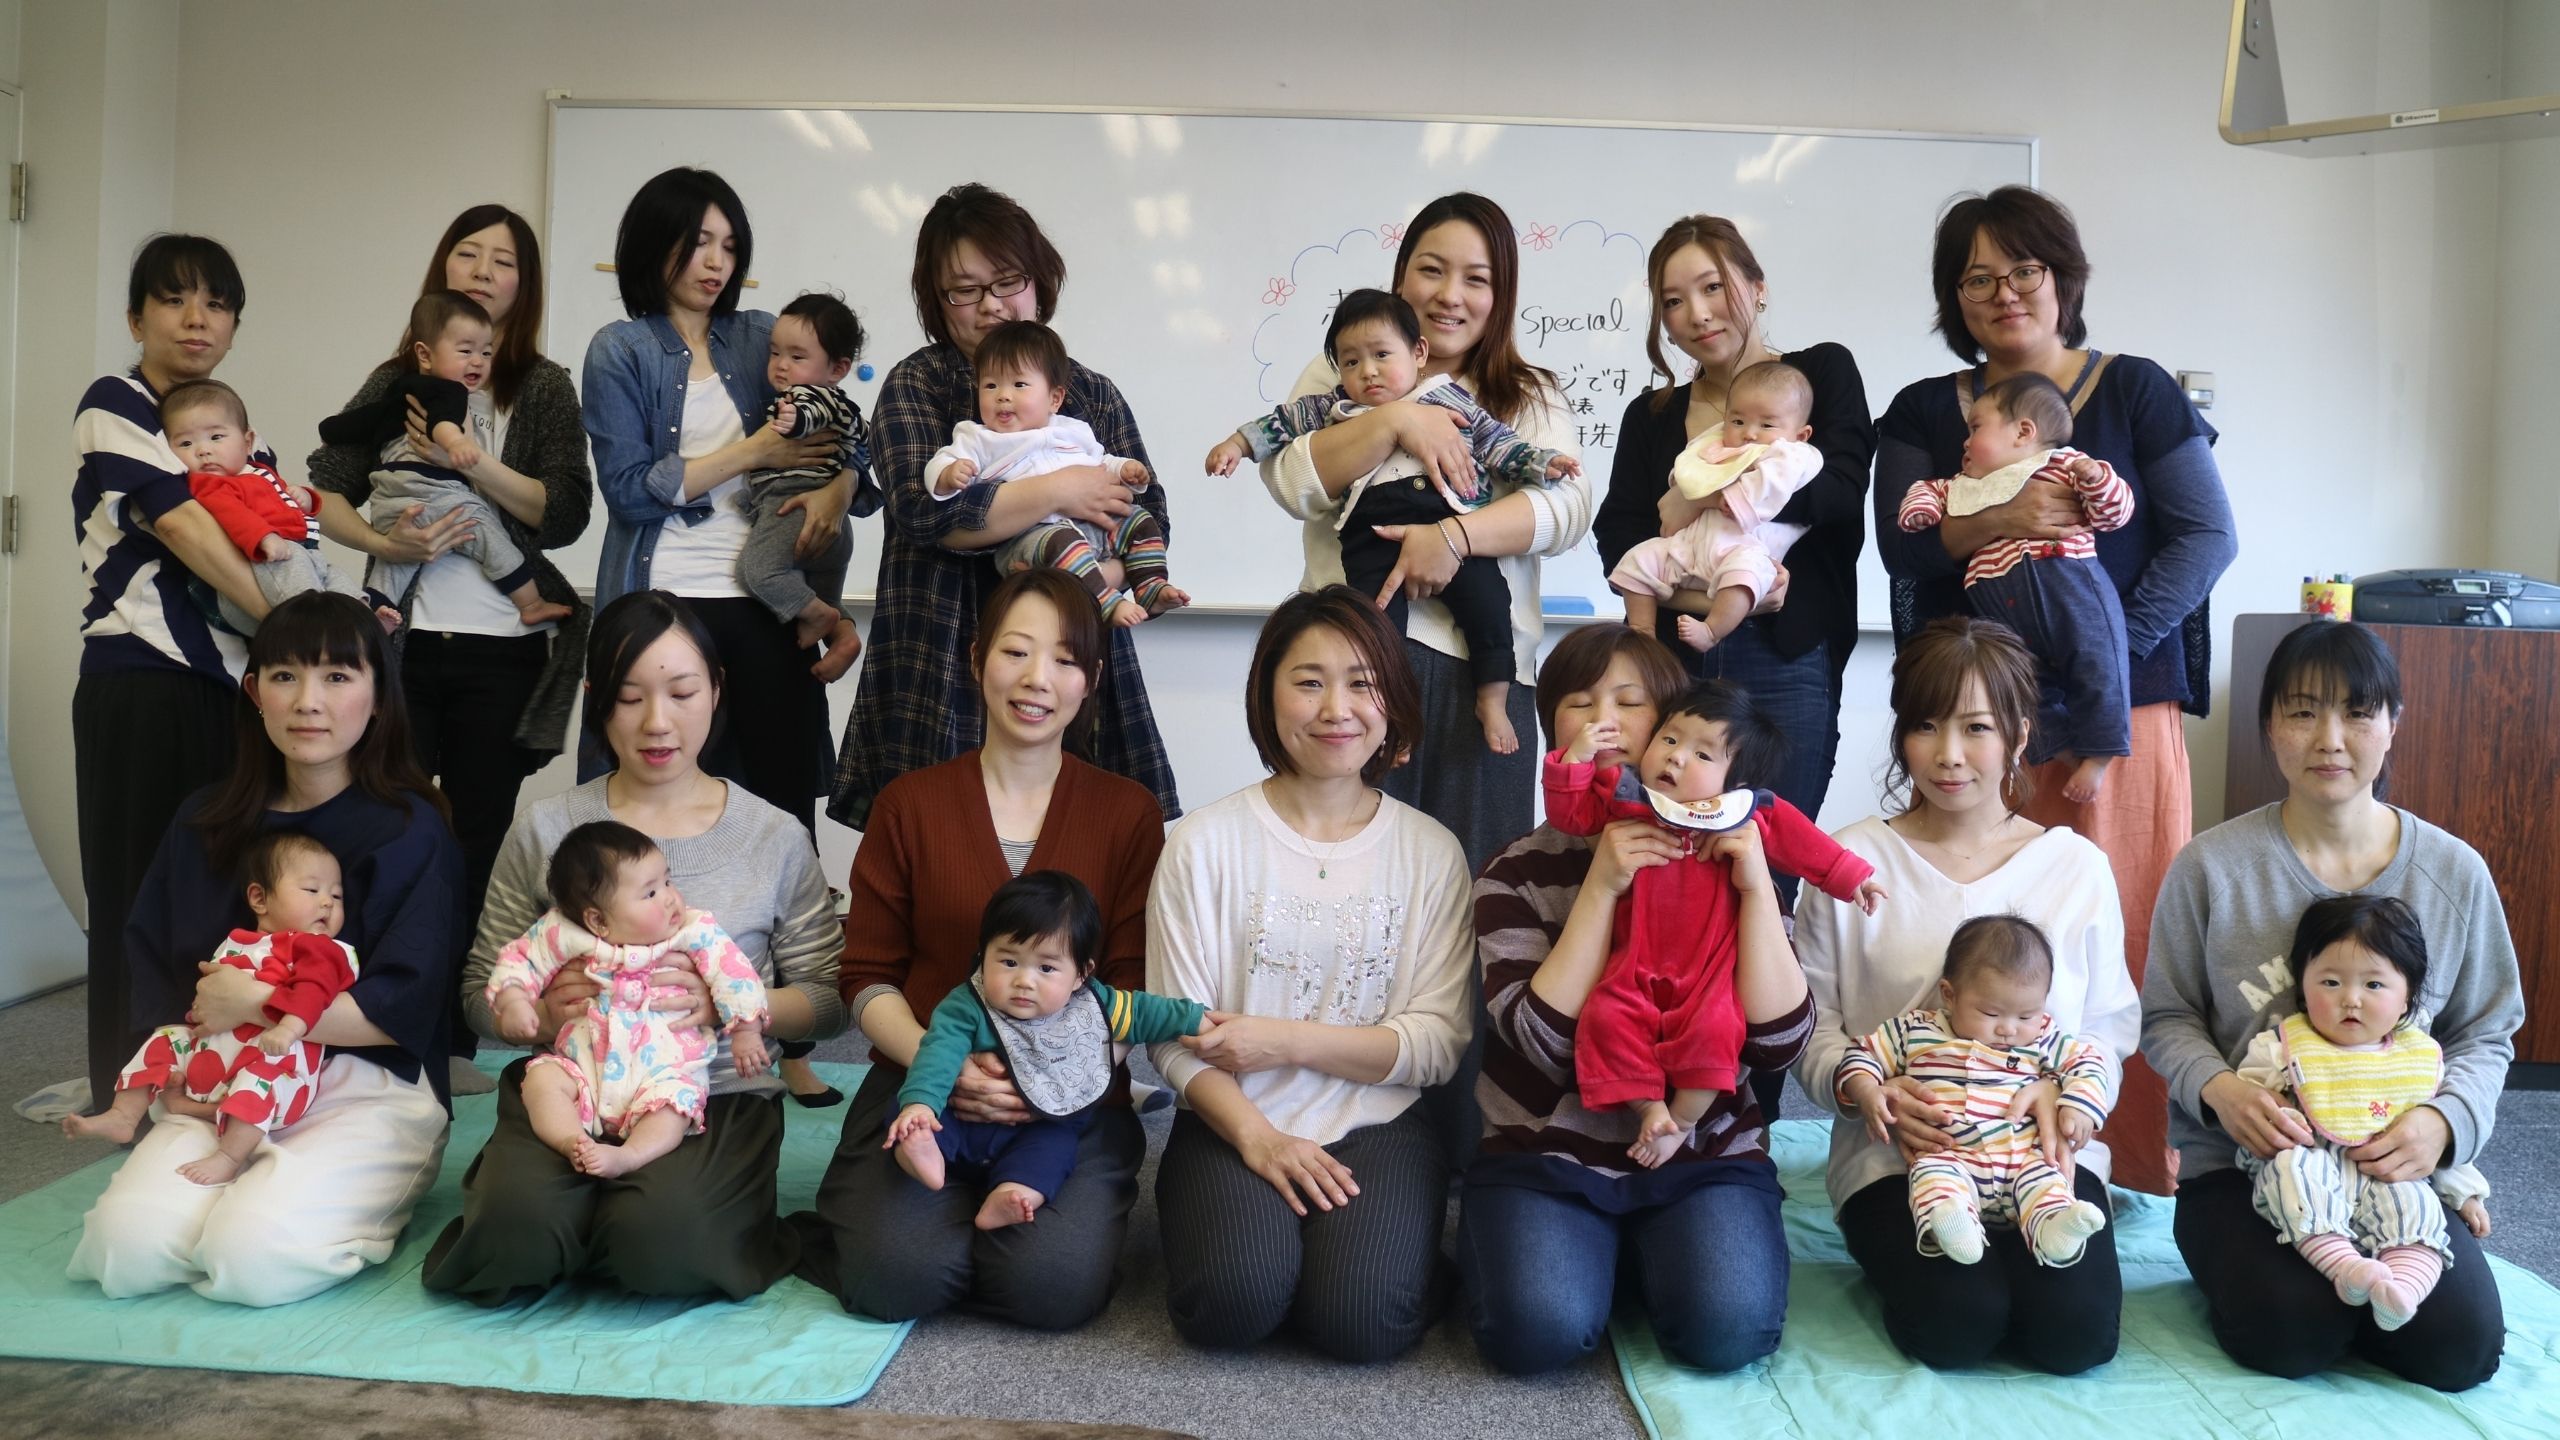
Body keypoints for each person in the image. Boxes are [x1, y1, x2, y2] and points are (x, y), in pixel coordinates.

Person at [1876, 186, 2238, 1194]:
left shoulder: (2136, 391)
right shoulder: (1923, 410)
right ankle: (1978, 1160)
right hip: (1980, 723)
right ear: (1953, 295)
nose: (2003, 292)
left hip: (2117, 718)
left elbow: (2206, 537)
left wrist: (2103, 656)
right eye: (1976, 276)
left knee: (2122, 934)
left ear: (2062, 277)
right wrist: (2004, 513)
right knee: (1981, 942)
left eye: (2022, 269)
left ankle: (2137, 1171)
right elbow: (1903, 549)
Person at [79, 234, 450, 1110]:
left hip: (238, 685)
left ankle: (241, 1081)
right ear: (137, 319)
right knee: (140, 897)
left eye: (215, 303)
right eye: (173, 301)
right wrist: (302, 631)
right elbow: (183, 529)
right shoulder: (116, 405)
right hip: (145, 676)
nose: (196, 318)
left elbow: (305, 512)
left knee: (232, 892)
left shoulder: (239, 427)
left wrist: (383, 547)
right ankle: (128, 1100)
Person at [420, 590, 845, 1303]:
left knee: (665, 1246)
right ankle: (571, 1215)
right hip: (574, 1085)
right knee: (511, 1239)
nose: (657, 722)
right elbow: (478, 987)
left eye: (682, 692)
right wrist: (539, 1016)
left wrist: (733, 1009)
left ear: (717, 688)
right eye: (627, 697)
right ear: (595, 699)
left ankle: (634, 1222)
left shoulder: (773, 835)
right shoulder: (547, 827)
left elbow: (829, 1003)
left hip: (709, 1094)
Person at [2143, 620, 2517, 1390]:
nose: (2330, 737)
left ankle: (2360, 1289)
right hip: (2245, 1169)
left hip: (2396, 1170)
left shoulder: (2454, 871)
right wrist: (2223, 1091)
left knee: (2460, 1351)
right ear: (2270, 727)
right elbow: (2167, 1018)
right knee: (2289, 1335)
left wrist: (2443, 1124)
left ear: (2392, 725)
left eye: (2357, 712)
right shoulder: (2212, 868)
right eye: (2303, 711)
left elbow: (2488, 1029)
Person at [67, 592, 463, 1306]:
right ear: (253, 692)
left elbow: (403, 1010)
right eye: (284, 676)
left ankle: (367, 1198)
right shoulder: (203, 818)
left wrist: (258, 1000)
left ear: (378, 696)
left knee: (250, 1262)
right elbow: (156, 968)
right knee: (124, 1253)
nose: (307, 701)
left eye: (337, 678)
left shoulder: (411, 829)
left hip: (363, 1082)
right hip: (222, 1080)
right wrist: (176, 1085)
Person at [798, 567, 1167, 1329]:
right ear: (976, 660)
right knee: (893, 1278)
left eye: (1065, 660)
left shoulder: (1128, 813)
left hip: (1069, 1105)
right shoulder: (911, 803)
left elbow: (1129, 987)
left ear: (1092, 680)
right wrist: (950, 1064)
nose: (1038, 680)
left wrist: (1045, 1078)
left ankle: (988, 1223)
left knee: (1050, 1288)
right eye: (1016, 652)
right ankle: (912, 1223)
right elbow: (866, 976)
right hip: (922, 1087)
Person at [1793, 616, 2137, 1374]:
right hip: (1904, 1162)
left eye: (1976, 728)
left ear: (2018, 735)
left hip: (2041, 1158)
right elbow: (1809, 1032)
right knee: (1956, 1326)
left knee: (2073, 1338)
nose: (1947, 756)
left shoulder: (2074, 867)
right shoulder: (1848, 861)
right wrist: (1865, 1092)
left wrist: (2066, 1096)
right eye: (1924, 726)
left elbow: (2110, 1027)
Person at [307, 206, 594, 1097]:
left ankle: (452, 1041)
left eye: (502, 260)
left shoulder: (540, 386)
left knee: (473, 836)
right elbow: (326, 489)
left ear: (524, 283)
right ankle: (366, 1024)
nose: (482, 269)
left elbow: (568, 511)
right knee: (388, 828)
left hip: (505, 651)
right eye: (467, 253)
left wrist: (471, 468)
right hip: (401, 645)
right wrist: (389, 549)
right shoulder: (399, 375)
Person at [1463, 622, 1802, 1376]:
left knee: (1727, 1334)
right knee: (1535, 1337)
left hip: (1703, 1148)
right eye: (1580, 704)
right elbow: (1540, 1041)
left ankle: (1641, 1259)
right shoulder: (1512, 870)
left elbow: (1780, 1045)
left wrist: (1752, 893)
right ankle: (1598, 1262)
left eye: (1631, 702)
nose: (1604, 723)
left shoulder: (1737, 850)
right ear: (1553, 727)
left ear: (1675, 728)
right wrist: (1604, 883)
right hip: (1545, 1147)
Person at [1146, 585, 1472, 1362]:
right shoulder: (1201, 844)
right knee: (1230, 1305)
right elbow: (1170, 1035)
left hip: (1378, 1121)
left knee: (1362, 1324)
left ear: (1393, 699)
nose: (1337, 708)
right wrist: (1258, 1139)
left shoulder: (1431, 852)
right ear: (1268, 695)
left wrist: (1284, 1041)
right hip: (1232, 1119)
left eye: (1362, 682)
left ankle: (1377, 1259)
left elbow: (1435, 1045)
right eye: (1309, 680)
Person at [1256, 193, 1592, 873]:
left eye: (1477, 279)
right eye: (1431, 270)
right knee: (1339, 880)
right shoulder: (1342, 371)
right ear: (1401, 274)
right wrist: (1393, 423)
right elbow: (1290, 481)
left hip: (1485, 676)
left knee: (1479, 893)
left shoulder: (1526, 392)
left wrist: (1456, 539)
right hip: (1352, 668)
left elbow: (1567, 510)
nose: (1449, 296)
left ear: (1502, 295)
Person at [835, 182, 1176, 832]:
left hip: (1072, 653)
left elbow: (1146, 508)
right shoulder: (919, 382)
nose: (989, 305)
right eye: (963, 289)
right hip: (942, 649)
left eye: (1007, 281)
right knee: (940, 855)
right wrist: (1062, 491)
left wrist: (1093, 575)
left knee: (1076, 868)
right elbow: (926, 512)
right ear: (937, 301)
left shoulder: (1091, 393)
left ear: (1038, 282)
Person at [584, 167, 871, 838]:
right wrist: (752, 454)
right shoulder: (620, 350)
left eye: (730, 246)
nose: (716, 262)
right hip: (666, 599)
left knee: (780, 804)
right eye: (698, 242)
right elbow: (628, 492)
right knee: (657, 807)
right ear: (655, 245)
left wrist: (840, 485)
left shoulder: (761, 334)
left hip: (767, 600)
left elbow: (845, 433)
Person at [1594, 215, 1876, 868]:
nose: (1696, 313)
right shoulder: (1653, 414)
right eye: (1672, 300)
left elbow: (1838, 492)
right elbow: (1620, 530)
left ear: (1757, 286)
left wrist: (1705, 490)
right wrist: (1706, 589)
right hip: (1673, 665)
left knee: (1771, 872)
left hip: (1787, 657)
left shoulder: (1820, 375)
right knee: (1661, 869)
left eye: (1713, 287)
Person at [1213, 288, 1578, 753]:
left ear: (1417, 353)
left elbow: (1496, 443)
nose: (1367, 371)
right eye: (1350, 362)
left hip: (1452, 528)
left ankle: (1492, 698)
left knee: (1489, 606)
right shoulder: (1334, 408)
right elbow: (1279, 426)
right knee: (1373, 635)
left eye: (1382, 355)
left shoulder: (1448, 397)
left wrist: (1541, 463)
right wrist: (1237, 445)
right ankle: (1393, 728)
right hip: (1371, 536)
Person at [1542, 680, 1879, 1167]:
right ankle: (1649, 1108)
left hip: (1709, 977)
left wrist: (1854, 880)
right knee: (1606, 1020)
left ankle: (1681, 1122)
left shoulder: (1747, 815)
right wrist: (1574, 760)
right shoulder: (1627, 797)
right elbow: (1569, 816)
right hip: (1631, 966)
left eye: (1704, 755)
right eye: (1672, 739)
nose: (1676, 758)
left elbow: (1808, 847)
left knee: (1717, 1033)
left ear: (1736, 782)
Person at [2224, 896, 2493, 1330]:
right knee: (2290, 1174)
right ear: (2302, 987)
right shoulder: (2281, 1047)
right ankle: (2345, 1268)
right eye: (2330, 982)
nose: (2351, 999)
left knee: (2417, 1205)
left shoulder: (2418, 1059)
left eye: (2374, 986)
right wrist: (2272, 1113)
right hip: (2314, 1158)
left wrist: (2465, 1190)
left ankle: (2402, 1289)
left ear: (2407, 998)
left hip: (2388, 1169)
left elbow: (2435, 1140)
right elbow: (2251, 1100)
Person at [885, 870, 1208, 1231]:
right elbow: (938, 1053)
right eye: (1008, 962)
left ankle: (1014, 1192)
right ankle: (921, 1149)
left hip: (1039, 1125)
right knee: (905, 1110)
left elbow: (1146, 1012)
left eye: (1047, 967)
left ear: (1081, 975)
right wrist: (921, 1106)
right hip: (962, 1118)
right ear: (982, 955)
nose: (1024, 980)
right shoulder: (968, 1004)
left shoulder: (1094, 1004)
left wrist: (1197, 1020)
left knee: (1054, 1152)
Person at [64, 831, 360, 1189]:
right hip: (219, 1061)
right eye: (312, 891)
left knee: (259, 1078)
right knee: (166, 1037)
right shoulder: (238, 940)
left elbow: (315, 992)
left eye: (337, 895)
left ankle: (229, 1156)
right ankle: (124, 1114)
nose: (327, 902)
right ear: (259, 898)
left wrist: (289, 1027)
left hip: (276, 1065)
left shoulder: (321, 949)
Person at [486, 819, 774, 1181]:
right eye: (650, 893)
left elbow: (734, 972)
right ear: (597, 921)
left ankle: (632, 1156)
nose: (670, 896)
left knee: (674, 1107)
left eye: (668, 881)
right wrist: (514, 999)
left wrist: (746, 1027)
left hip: (665, 1068)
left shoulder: (694, 930)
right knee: (543, 1081)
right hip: (584, 1065)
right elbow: (521, 958)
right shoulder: (562, 931)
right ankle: (571, 1140)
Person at [1896, 371, 2133, 804]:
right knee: (2019, 689)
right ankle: (2057, 749)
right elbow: (1924, 492)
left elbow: (2114, 513)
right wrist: (1921, 509)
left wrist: (2096, 479)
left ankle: (2099, 756)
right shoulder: (1964, 486)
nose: (1964, 442)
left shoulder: (2064, 464)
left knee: (2099, 667)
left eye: (1976, 429)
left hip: (2069, 590)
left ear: (2024, 432)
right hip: (1999, 612)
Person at [1834, 914, 2113, 1268]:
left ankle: (2056, 1231)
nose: (2009, 1029)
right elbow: (1863, 1052)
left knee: (2048, 1183)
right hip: (1950, 1152)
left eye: (2026, 1015)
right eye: (1991, 1013)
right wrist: (1865, 1089)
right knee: (1933, 1181)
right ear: (1949, 995)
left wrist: (2078, 1106)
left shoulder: (2043, 1036)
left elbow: (2088, 1062)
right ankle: (1955, 1228)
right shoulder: (1916, 1030)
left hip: (2023, 1155)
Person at [319, 291, 573, 629]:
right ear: (424, 354)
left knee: (392, 565)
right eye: (465, 351)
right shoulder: (451, 392)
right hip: (432, 493)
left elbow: (359, 422)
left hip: (390, 503)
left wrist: (328, 429)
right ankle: (531, 603)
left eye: (486, 352)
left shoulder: (399, 392)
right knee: (490, 535)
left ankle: (376, 613)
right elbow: (442, 423)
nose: (478, 362)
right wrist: (458, 447)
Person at [925, 319, 1183, 627]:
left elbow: (1100, 460)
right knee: (1062, 542)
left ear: (1055, 399)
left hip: (1093, 530)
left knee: (1141, 521)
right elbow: (939, 464)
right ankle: (1105, 602)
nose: (1002, 396)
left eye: (1019, 385)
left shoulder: (1074, 430)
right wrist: (948, 474)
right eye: (990, 385)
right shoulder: (978, 437)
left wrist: (1124, 470)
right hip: (1032, 538)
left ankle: (1151, 586)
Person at [1608, 359, 1820, 658]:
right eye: (1738, 421)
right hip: (1690, 546)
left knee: (1747, 575)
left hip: (1744, 547)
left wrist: (1719, 499)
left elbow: (1770, 487)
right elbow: (1682, 477)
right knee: (1639, 559)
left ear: (1801, 434)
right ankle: (1643, 635)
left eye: (1767, 424)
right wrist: (1687, 486)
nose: (1750, 433)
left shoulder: (1793, 455)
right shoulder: (1716, 444)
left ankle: (1711, 630)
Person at [160, 380, 385, 634]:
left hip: (301, 556)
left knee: (335, 577)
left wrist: (307, 499)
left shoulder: (258, 473)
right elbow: (232, 514)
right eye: (186, 444)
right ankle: (316, 626)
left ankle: (363, 621)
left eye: (216, 437)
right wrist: (263, 537)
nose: (203, 451)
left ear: (247, 443)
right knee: (297, 567)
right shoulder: (208, 484)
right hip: (254, 572)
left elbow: (287, 505)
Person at [741, 291, 872, 682]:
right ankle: (842, 636)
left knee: (758, 573)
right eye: (775, 353)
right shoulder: (846, 408)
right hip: (835, 529)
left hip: (793, 510)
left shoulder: (807, 398)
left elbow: (808, 412)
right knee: (825, 599)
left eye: (797, 357)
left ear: (837, 369)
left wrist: (791, 422)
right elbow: (865, 437)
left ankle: (820, 616)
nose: (781, 366)